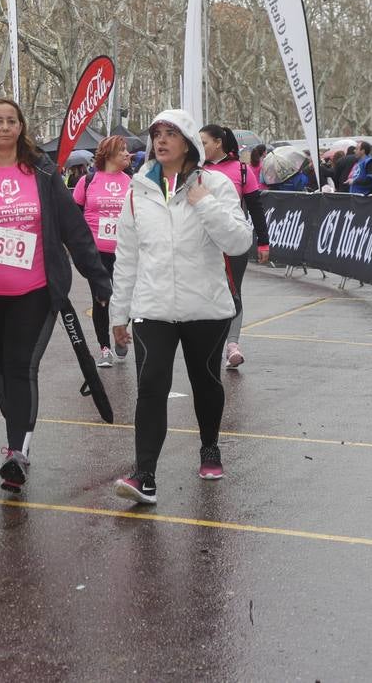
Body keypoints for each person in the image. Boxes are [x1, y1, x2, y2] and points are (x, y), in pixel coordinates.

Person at [0, 97, 110, 492]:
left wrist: (99, 280)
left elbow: (73, 227)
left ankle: (18, 452)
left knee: (20, 365)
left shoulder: (42, 172)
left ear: (21, 127)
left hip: (34, 290)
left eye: (11, 121)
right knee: (4, 368)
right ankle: (14, 441)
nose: (4, 127)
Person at [111, 109, 254, 504]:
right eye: (157, 132)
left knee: (205, 383)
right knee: (151, 386)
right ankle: (145, 476)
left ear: (189, 141)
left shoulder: (216, 184)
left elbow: (239, 242)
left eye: (171, 133)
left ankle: (209, 446)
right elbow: (127, 257)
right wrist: (117, 314)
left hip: (205, 308)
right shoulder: (138, 190)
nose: (161, 140)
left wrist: (204, 203)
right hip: (152, 307)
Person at [200, 124, 269, 369]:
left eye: (204, 142)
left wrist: (263, 242)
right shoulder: (197, 170)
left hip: (232, 243)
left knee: (233, 291)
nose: (201, 146)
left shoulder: (242, 170)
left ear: (218, 142)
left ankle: (232, 345)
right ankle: (209, 343)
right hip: (203, 243)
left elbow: (256, 208)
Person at [72, 135, 132, 366]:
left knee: (123, 298)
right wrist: (78, 245)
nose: (127, 154)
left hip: (125, 251)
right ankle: (104, 348)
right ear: (108, 154)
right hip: (96, 252)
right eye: (122, 150)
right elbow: (74, 215)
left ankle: (120, 334)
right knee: (101, 299)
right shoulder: (88, 181)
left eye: (127, 150)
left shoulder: (131, 182)